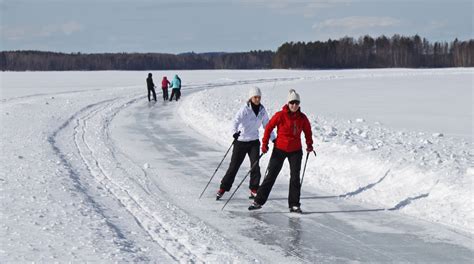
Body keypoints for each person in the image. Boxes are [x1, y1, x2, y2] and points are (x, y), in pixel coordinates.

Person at [248, 89, 313, 213]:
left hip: (295, 151)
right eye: (292, 103)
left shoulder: (302, 118)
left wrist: (309, 145)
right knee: (271, 175)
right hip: (280, 149)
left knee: (295, 178)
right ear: (288, 103)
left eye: (297, 103)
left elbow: (308, 131)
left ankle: (294, 204)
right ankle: (258, 201)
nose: (294, 105)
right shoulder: (280, 115)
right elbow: (268, 128)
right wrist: (265, 144)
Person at [216, 87, 275, 200]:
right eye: (255, 97)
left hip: (254, 142)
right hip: (241, 142)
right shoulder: (245, 109)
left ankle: (254, 189)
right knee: (234, 167)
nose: (257, 99)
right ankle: (223, 188)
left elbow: (267, 125)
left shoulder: (262, 110)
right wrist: (234, 133)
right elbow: (235, 121)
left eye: (259, 97)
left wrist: (273, 138)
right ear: (251, 98)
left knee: (255, 166)